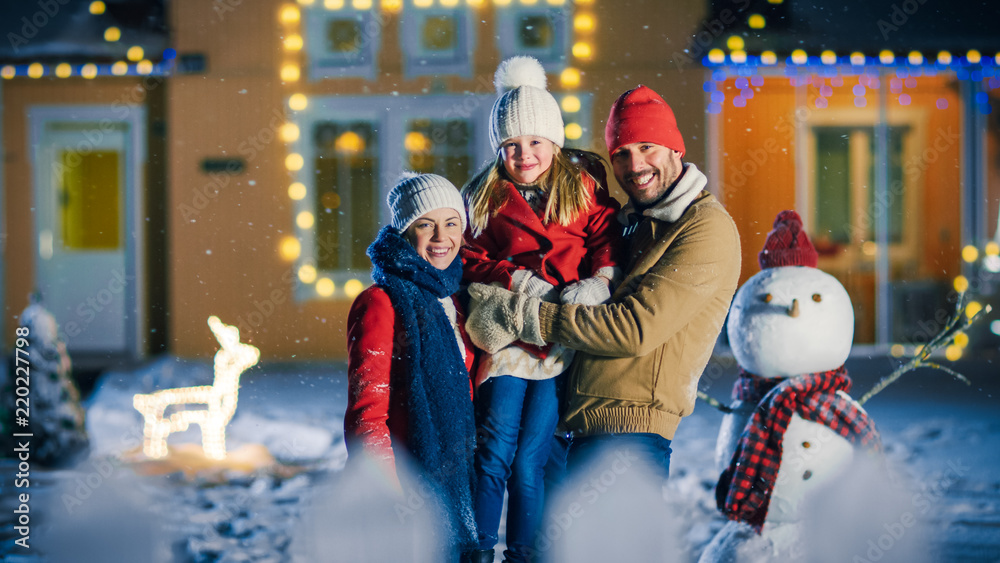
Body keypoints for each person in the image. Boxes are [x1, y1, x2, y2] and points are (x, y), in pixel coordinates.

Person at [466, 84, 742, 482]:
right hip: (577, 418)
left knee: (612, 544)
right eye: (621, 154)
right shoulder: (635, 223)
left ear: (676, 149)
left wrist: (530, 317)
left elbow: (633, 329)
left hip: (629, 428)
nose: (635, 165)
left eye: (648, 146)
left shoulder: (703, 226)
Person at [461, 56, 622, 563]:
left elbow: (606, 239)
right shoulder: (486, 196)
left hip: (560, 339)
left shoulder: (582, 187)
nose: (523, 153)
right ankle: (479, 546)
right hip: (511, 333)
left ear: (554, 141)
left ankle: (525, 552)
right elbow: (469, 256)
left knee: (534, 455)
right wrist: (515, 277)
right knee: (494, 450)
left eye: (534, 141)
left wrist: (598, 283)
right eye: (511, 145)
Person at [344, 172, 478, 560]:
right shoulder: (381, 302)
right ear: (404, 233)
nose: (442, 237)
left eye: (451, 223)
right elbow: (366, 417)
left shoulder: (454, 300)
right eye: (425, 224)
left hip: (454, 484)